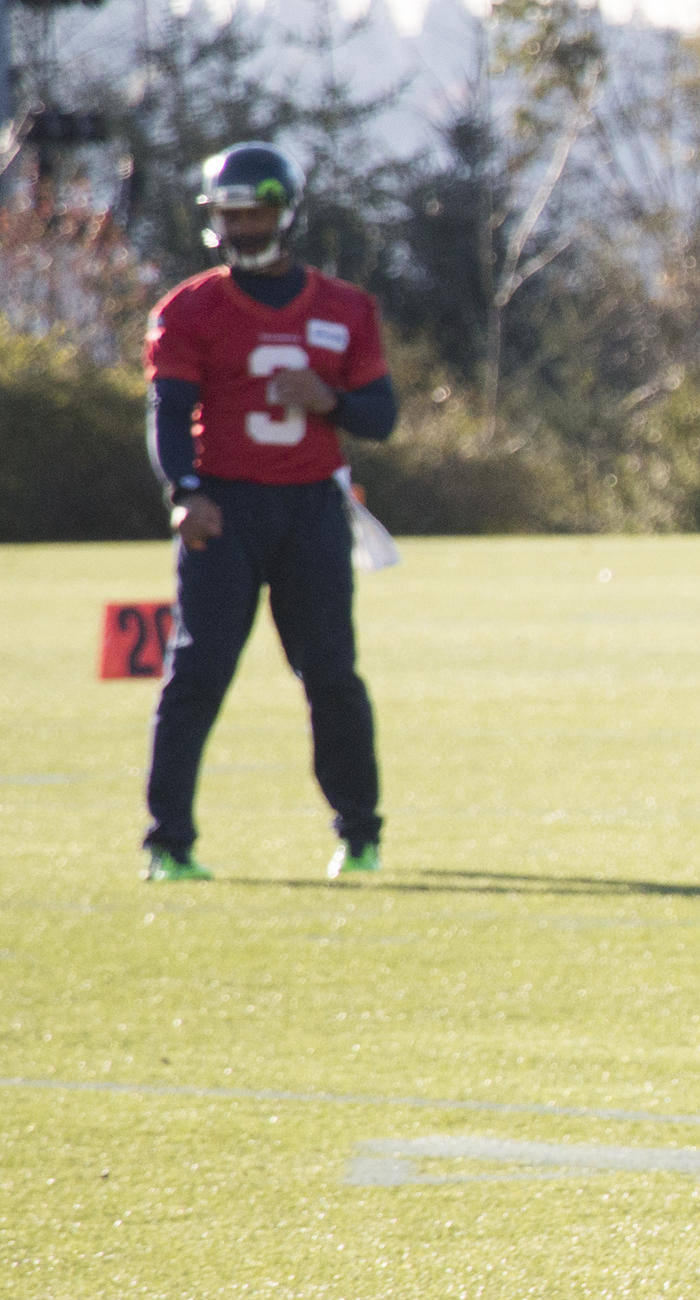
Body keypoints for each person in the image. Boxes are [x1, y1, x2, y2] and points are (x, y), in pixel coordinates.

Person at [140, 141, 398, 883]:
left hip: (312, 508)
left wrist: (332, 402)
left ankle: (361, 833)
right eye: (232, 214)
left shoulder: (346, 308)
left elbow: (381, 416)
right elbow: (170, 411)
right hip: (227, 507)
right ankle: (169, 842)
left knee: (332, 675)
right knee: (198, 672)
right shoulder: (189, 309)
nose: (245, 227)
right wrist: (185, 494)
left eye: (257, 212)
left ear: (286, 213)